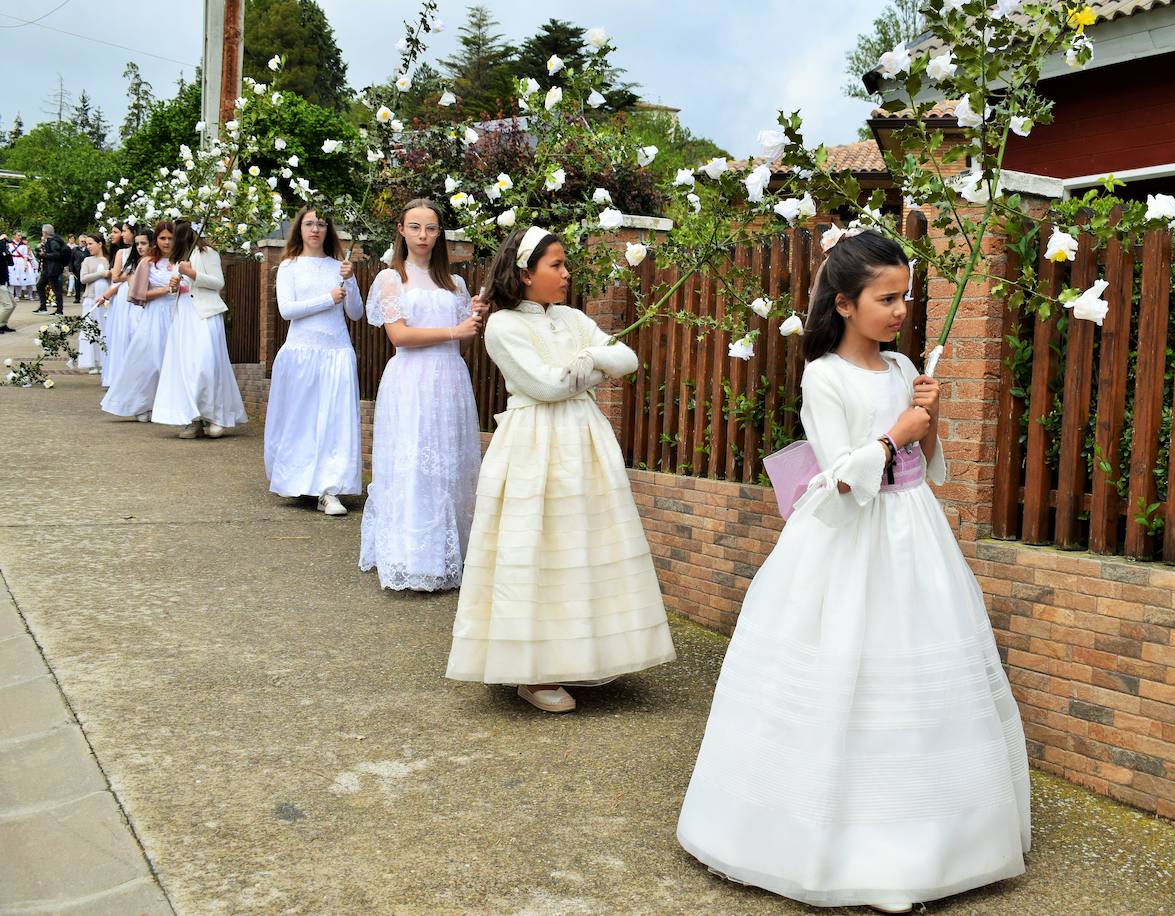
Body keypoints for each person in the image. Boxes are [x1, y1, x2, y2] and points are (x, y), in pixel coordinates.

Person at [675, 231, 1031, 913]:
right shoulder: (824, 376)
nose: (901, 310)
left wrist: (929, 420)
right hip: (846, 543)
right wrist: (898, 431)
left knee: (915, 682)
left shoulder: (901, 368)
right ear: (844, 303)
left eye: (906, 296)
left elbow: (924, 462)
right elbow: (838, 476)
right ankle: (824, 843)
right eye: (886, 298)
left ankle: (929, 842)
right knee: (840, 669)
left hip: (912, 534)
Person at [444, 226, 676, 715]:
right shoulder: (504, 326)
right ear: (526, 273)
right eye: (556, 265)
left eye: (566, 264)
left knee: (582, 545)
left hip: (584, 440)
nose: (567, 274)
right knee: (536, 546)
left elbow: (627, 357)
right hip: (533, 444)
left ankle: (579, 654)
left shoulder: (572, 319)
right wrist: (596, 367)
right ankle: (532, 670)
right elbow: (546, 386)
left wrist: (589, 357)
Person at [358, 198, 484, 588]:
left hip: (450, 380)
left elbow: (462, 342)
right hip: (410, 381)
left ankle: (449, 557)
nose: (423, 235)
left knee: (449, 464)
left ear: (439, 233)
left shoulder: (456, 283)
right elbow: (399, 335)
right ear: (401, 230)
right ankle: (412, 559)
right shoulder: (390, 278)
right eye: (415, 227)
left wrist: (472, 317)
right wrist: (454, 331)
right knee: (414, 463)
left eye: (430, 228)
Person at [264, 208, 364, 513]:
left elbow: (356, 313)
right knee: (302, 420)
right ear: (299, 229)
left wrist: (352, 282)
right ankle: (300, 482)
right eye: (309, 223)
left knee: (334, 422)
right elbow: (286, 310)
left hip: (336, 352)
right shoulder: (289, 267)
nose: (316, 229)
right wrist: (327, 298)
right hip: (301, 353)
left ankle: (329, 488)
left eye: (321, 224)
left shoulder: (340, 267)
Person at [150, 222, 248, 438]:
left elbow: (218, 283)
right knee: (186, 367)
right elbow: (183, 288)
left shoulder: (207, 253)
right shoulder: (177, 258)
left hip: (204, 313)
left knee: (206, 364)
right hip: (184, 315)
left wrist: (192, 274)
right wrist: (176, 285)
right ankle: (193, 419)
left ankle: (216, 416)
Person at [101, 222, 178, 422]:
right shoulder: (148, 263)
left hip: (178, 313)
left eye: (170, 238)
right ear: (157, 240)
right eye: (163, 238)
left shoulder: (182, 261)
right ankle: (142, 403)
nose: (167, 242)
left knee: (172, 362)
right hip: (155, 314)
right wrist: (165, 290)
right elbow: (139, 294)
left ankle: (167, 404)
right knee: (151, 361)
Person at [96, 224, 142, 389]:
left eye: (124, 231)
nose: (122, 235)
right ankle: (118, 375)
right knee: (121, 333)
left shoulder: (145, 253)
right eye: (121, 231)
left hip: (139, 293)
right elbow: (115, 277)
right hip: (124, 295)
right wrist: (131, 274)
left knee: (135, 332)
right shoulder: (122, 253)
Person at [77, 234, 111, 374]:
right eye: (87, 244)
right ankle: (91, 361)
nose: (88, 247)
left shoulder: (108, 260)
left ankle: (103, 360)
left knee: (103, 328)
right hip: (91, 298)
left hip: (105, 300)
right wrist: (101, 274)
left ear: (100, 244)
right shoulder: (87, 261)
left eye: (91, 243)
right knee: (90, 328)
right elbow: (83, 279)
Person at [34, 224, 67, 315]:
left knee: (56, 289)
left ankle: (59, 310)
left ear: (45, 232)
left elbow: (56, 255)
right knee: (40, 286)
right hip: (47, 268)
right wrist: (40, 253)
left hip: (53, 269)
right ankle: (43, 307)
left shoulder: (53, 242)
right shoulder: (49, 241)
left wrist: (43, 255)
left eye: (42, 232)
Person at [11, 233, 36, 301]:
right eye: (18, 235)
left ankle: (29, 295)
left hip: (21, 262)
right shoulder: (10, 244)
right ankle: (17, 295)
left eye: (20, 236)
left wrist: (25, 264)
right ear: (14, 236)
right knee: (15, 279)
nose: (20, 237)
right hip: (13, 261)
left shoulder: (23, 246)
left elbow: (25, 255)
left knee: (23, 277)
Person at [0, 234, 14, 333]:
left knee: (13, 304)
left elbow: (10, 263)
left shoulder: (4, 250)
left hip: (4, 281)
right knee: (7, 305)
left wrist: (7, 251)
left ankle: (3, 324)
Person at [69, 234, 87, 302]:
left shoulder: (88, 250)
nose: (83, 243)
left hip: (86, 270)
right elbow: (71, 260)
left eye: (84, 241)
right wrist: (71, 269)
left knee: (85, 284)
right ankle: (77, 298)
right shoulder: (75, 249)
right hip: (77, 269)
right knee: (77, 284)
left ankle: (86, 296)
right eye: (81, 241)